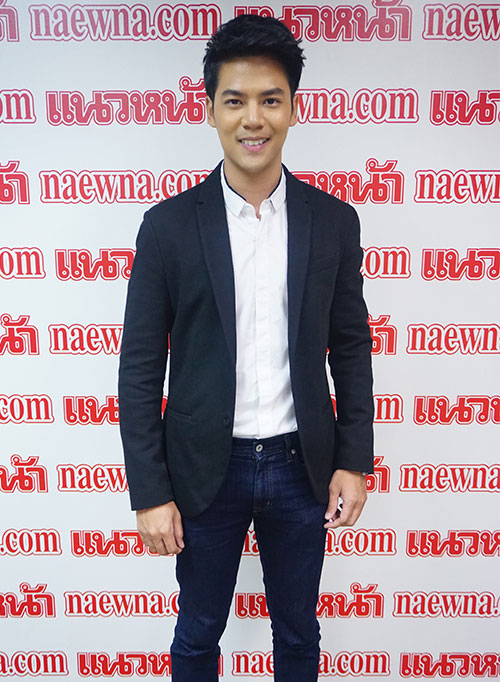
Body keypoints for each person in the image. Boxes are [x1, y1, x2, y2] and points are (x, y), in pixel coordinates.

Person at [118, 13, 374, 682]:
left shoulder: (333, 222)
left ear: (294, 108)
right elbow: (140, 366)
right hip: (205, 471)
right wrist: (149, 492)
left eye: (270, 99)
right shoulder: (168, 227)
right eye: (234, 100)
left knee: (299, 633)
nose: (253, 119)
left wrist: (354, 460)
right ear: (210, 110)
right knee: (197, 634)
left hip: (301, 465)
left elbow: (351, 347)